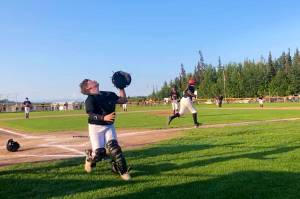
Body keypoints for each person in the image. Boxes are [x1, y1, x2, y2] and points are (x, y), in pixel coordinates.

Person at [79, 79, 131, 181]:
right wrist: (103, 118)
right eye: (91, 81)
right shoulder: (90, 100)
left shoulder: (109, 94)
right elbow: (91, 115)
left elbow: (123, 100)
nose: (94, 80)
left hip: (109, 126)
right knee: (99, 154)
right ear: (89, 88)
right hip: (95, 128)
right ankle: (90, 156)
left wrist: (121, 88)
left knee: (115, 149)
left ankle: (123, 171)